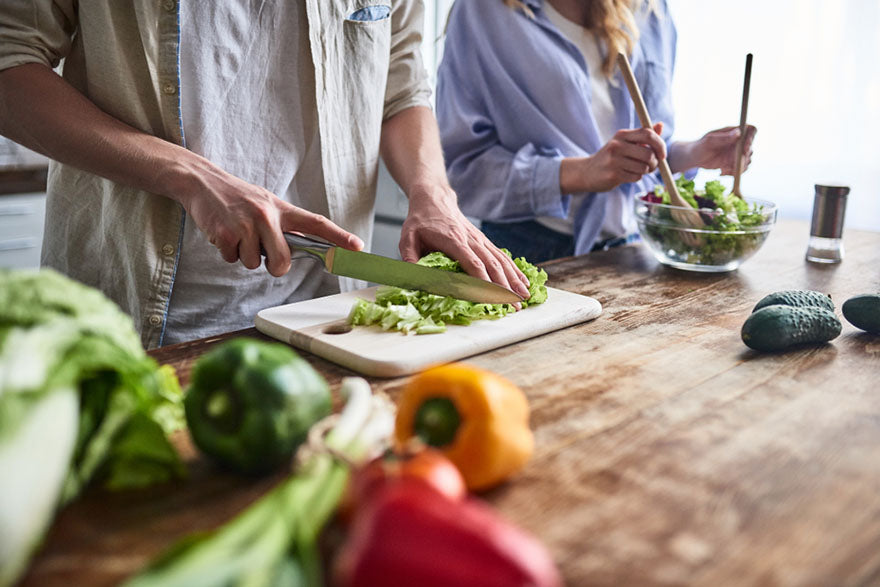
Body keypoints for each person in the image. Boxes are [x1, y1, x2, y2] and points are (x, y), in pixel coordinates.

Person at [0, 1, 530, 349]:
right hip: (137, 319)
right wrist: (193, 177)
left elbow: (403, 87)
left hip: (332, 319)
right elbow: (9, 57)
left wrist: (432, 193)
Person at [436, 0, 756, 262]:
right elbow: (462, 169)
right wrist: (583, 172)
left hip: (631, 250)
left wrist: (695, 154)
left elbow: (654, 150)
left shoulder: (649, 9)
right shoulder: (485, 11)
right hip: (527, 252)